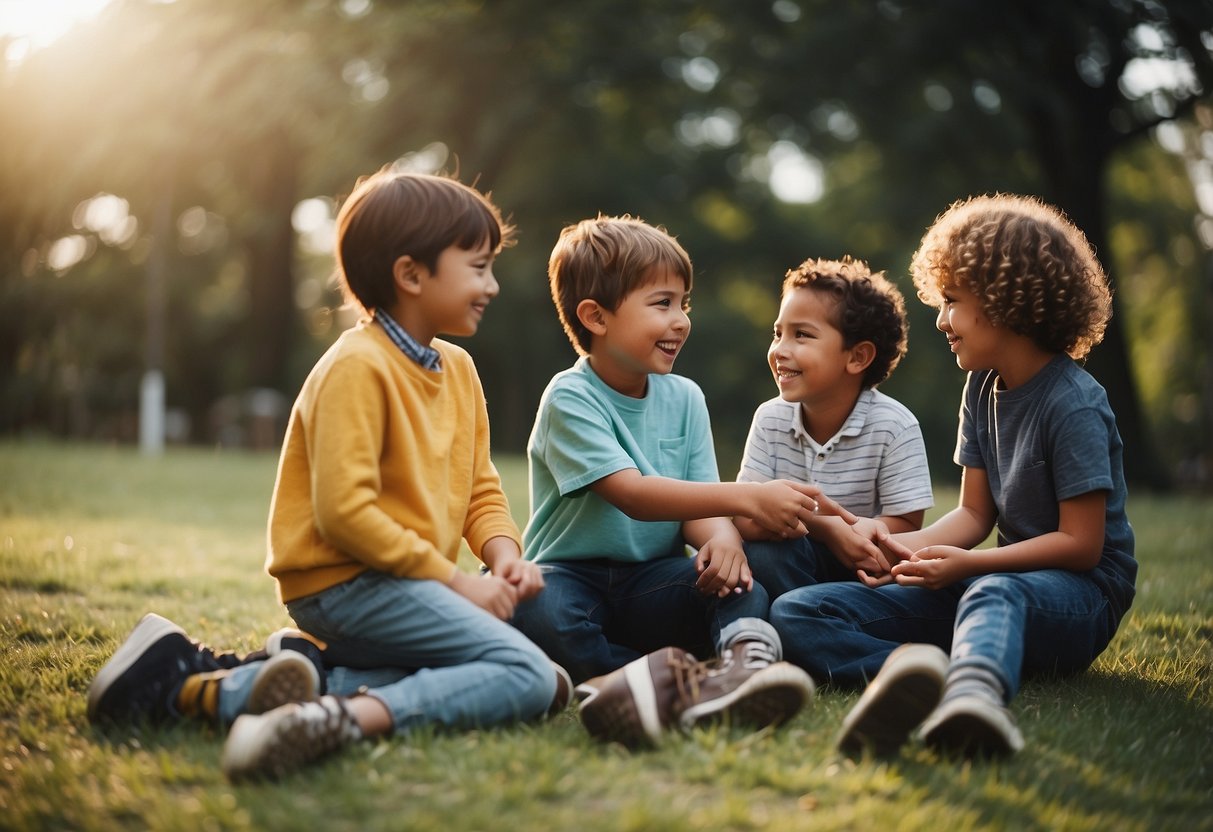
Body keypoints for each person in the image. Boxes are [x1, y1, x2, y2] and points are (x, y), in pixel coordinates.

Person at [88, 168, 567, 779]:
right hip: (345, 584)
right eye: (477, 267)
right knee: (526, 675)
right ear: (411, 274)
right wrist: (456, 583)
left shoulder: (460, 369)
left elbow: (479, 489)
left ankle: (209, 684)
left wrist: (503, 556)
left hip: (406, 581)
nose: (492, 285)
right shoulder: (357, 367)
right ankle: (333, 719)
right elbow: (346, 514)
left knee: (529, 677)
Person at [769, 194, 1137, 758]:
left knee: (993, 590)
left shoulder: (1074, 404)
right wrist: (892, 547)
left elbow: (1082, 546)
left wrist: (971, 566)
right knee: (801, 610)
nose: (941, 319)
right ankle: (918, 680)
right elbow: (973, 516)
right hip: (992, 585)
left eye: (952, 301)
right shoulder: (982, 387)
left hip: (1077, 599)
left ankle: (976, 697)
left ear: (1005, 301)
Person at [512, 214, 849, 744]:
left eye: (683, 304)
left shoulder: (686, 396)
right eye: (662, 303)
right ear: (596, 317)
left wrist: (721, 539)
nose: (681, 320)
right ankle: (640, 678)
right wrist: (748, 498)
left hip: (654, 578)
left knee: (738, 574)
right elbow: (633, 495)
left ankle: (743, 664)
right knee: (541, 606)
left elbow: (699, 504)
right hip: (572, 574)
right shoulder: (570, 397)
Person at [736, 256, 934, 599]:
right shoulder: (770, 418)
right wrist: (825, 528)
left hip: (861, 570)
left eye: (801, 335)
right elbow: (746, 517)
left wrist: (851, 537)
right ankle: (796, 624)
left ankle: (812, 624)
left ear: (857, 357)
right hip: (792, 558)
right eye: (777, 333)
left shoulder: (894, 426)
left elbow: (905, 525)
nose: (780, 349)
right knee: (764, 556)